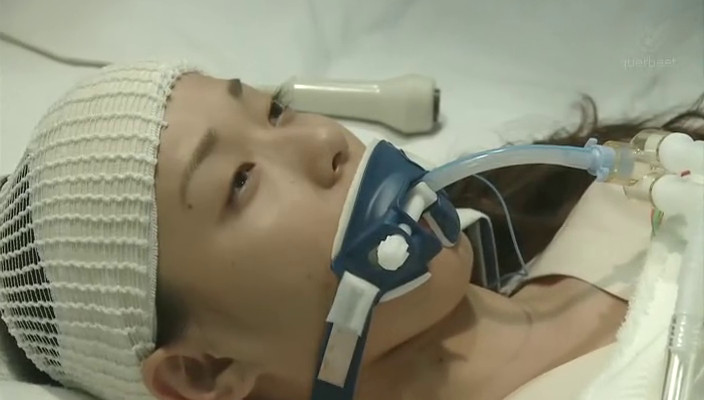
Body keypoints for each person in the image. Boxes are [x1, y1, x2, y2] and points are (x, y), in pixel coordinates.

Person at [0, 61, 701, 400]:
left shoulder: (633, 193)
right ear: (202, 371)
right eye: (239, 181)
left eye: (274, 112)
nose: (325, 141)